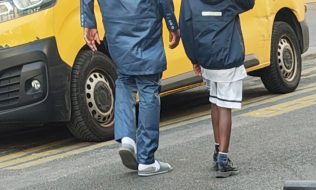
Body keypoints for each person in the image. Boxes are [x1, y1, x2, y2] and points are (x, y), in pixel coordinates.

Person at [80, 0, 180, 176]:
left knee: (125, 81)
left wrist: (88, 21)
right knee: (149, 85)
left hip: (114, 22)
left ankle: (127, 139)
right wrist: (171, 22)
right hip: (145, 17)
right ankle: (147, 160)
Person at [179, 0, 255, 178]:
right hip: (228, 56)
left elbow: (186, 28)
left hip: (206, 57)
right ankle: (223, 156)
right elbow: (249, 3)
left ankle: (217, 148)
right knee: (225, 106)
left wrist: (194, 58)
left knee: (215, 102)